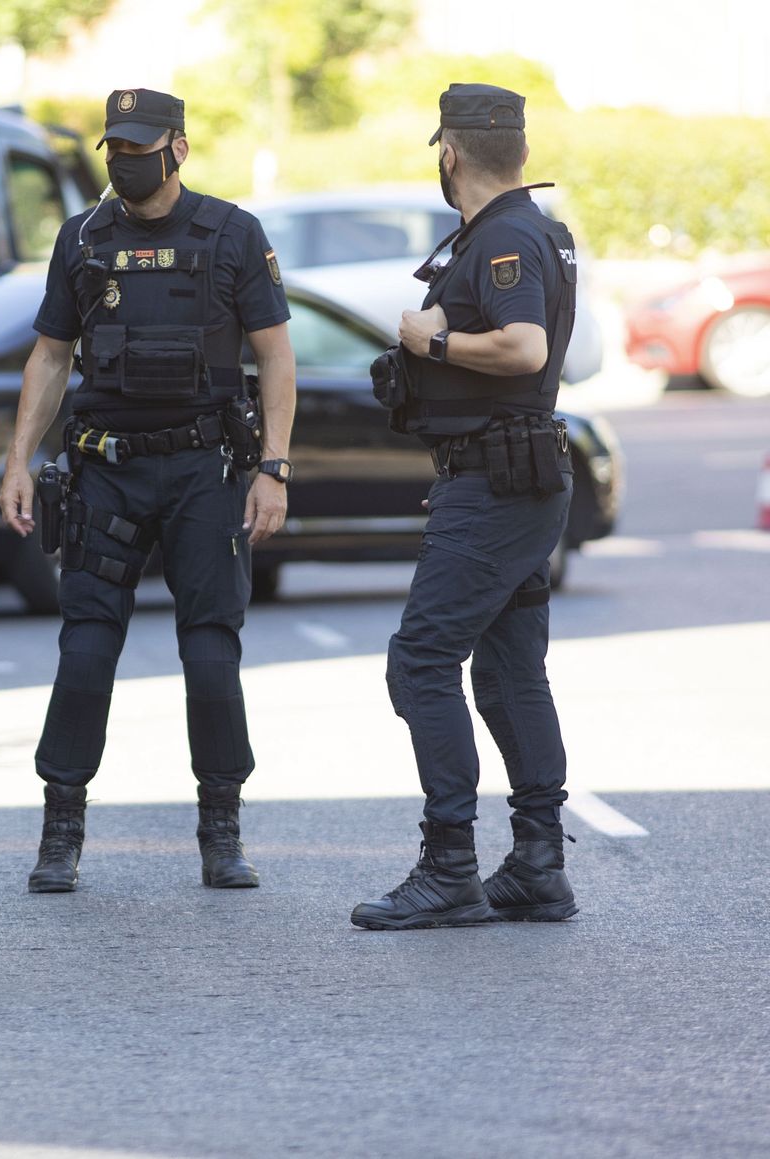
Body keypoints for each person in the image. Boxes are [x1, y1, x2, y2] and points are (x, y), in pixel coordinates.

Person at [0, 87, 297, 894]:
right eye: (115, 148)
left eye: (140, 145)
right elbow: (51, 356)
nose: (126, 160)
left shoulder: (233, 233)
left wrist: (273, 467)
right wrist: (19, 459)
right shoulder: (84, 238)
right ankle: (60, 834)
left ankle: (221, 832)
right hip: (107, 468)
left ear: (179, 148)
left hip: (205, 470)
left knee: (210, 651)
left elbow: (274, 355)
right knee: (86, 648)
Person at [351, 83, 580, 930]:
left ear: (449, 152)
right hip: (502, 480)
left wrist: (433, 340)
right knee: (511, 669)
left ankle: (450, 864)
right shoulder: (515, 231)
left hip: (497, 487)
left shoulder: (509, 237)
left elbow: (526, 348)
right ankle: (537, 862)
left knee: (420, 661)